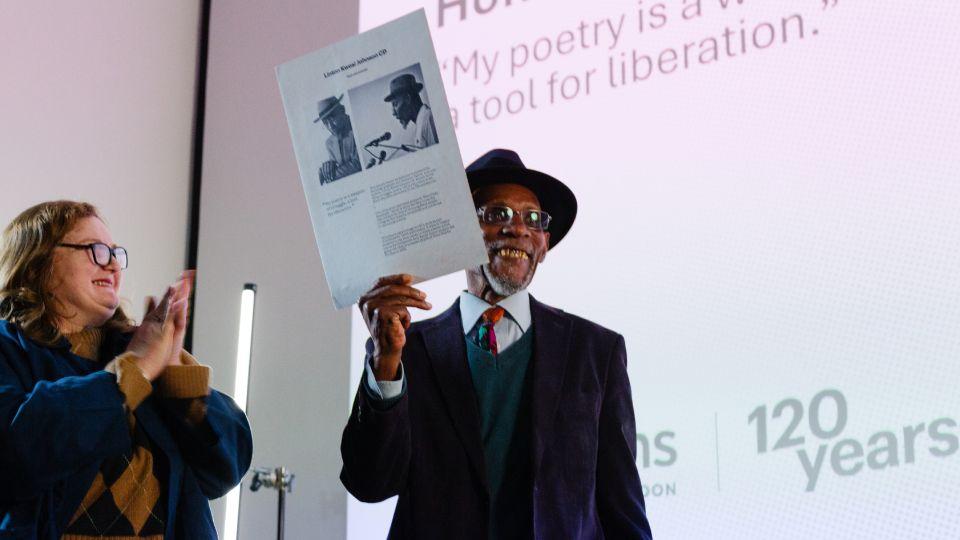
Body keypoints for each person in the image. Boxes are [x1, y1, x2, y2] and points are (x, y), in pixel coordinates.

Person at [341, 149, 652, 539]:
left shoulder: (595, 353)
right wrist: (386, 362)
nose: (517, 228)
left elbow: (622, 509)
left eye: (532, 219)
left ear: (543, 244)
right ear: (457, 234)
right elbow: (369, 483)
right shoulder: (406, 351)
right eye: (495, 214)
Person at [0, 201, 252, 539]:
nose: (113, 267)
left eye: (116, 254)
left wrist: (173, 371)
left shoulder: (140, 350)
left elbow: (226, 468)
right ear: (36, 264)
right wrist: (132, 373)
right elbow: (17, 450)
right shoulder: (9, 349)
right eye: (97, 250)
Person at [383, 73, 439, 151]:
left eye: (395, 104)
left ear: (407, 99)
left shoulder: (429, 119)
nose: (393, 113)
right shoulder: (422, 121)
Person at [314, 95, 362, 184]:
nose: (330, 126)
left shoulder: (357, 126)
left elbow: (358, 165)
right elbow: (336, 167)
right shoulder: (329, 143)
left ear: (342, 110)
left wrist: (327, 175)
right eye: (325, 122)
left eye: (332, 117)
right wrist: (327, 168)